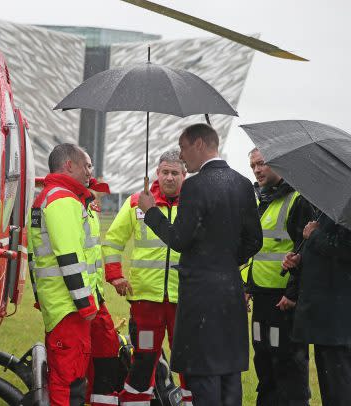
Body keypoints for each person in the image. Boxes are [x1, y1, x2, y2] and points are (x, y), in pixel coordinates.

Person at [137, 123, 263, 406]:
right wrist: (225, 263)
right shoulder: (243, 184)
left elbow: (179, 239)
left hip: (201, 297)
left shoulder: (194, 186)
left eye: (183, 149)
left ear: (199, 145)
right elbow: (255, 240)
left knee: (204, 374)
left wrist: (152, 213)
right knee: (230, 372)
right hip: (231, 292)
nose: (182, 158)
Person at [102, 149, 193, 406]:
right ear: (157, 173)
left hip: (184, 299)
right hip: (145, 300)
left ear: (185, 175)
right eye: (165, 172)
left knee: (188, 361)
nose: (170, 178)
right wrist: (115, 276)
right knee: (143, 359)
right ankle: (135, 402)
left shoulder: (195, 204)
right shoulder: (136, 202)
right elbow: (112, 242)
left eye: (175, 173)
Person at [27, 143, 99, 405]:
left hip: (58, 303)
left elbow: (34, 258)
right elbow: (70, 257)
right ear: (69, 165)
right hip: (70, 307)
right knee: (69, 382)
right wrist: (85, 303)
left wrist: (40, 297)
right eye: (86, 165)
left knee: (64, 378)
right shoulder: (62, 198)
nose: (90, 172)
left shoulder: (46, 196)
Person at [246, 148, 312, 405]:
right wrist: (247, 286)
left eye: (263, 164)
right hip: (262, 297)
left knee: (286, 362)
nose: (257, 170)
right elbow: (260, 251)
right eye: (253, 166)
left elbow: (304, 252)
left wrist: (292, 293)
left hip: (283, 301)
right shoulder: (262, 200)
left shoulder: (297, 200)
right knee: (263, 356)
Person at [283, 213, 351, 406]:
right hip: (325, 321)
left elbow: (345, 250)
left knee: (340, 390)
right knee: (331, 389)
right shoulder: (330, 211)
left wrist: (314, 235)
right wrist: (298, 263)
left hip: (339, 321)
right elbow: (327, 260)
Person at [86, 178, 124, 406]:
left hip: (92, 296)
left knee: (106, 344)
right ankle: (97, 395)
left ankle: (99, 395)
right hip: (82, 298)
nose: (99, 199)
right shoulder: (77, 210)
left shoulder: (89, 214)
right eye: (96, 194)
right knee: (99, 346)